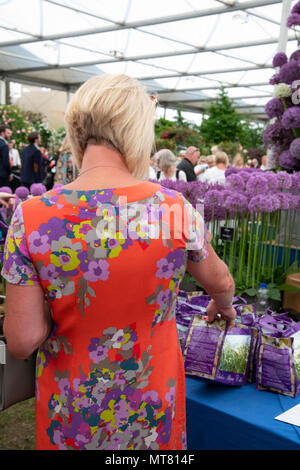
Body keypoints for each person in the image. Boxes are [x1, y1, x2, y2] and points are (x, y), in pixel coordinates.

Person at [2, 74, 236, 451]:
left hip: (73, 408)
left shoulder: (31, 217)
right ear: (138, 132)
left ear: (76, 130)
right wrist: (223, 305)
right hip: (150, 403)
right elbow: (221, 282)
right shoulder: (175, 210)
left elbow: (22, 340)